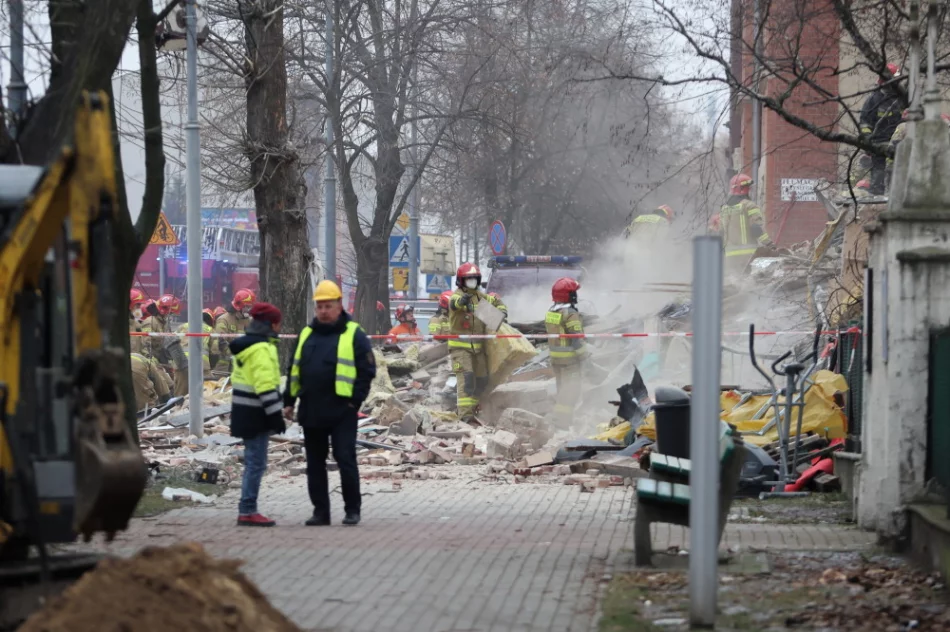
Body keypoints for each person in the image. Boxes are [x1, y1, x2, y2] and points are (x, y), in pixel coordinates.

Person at [283, 280, 376, 527]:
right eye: (319, 306)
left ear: (339, 305)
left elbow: (367, 370)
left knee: (345, 458)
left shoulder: (354, 333)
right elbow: (294, 370)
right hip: (312, 409)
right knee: (314, 463)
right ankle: (320, 512)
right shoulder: (306, 334)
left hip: (342, 411)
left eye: (328, 306)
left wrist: (354, 402)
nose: (323, 311)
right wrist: (289, 401)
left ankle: (352, 510)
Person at [230, 302, 286, 527]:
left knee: (254, 461)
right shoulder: (262, 349)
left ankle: (247, 508)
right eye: (278, 323)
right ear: (271, 324)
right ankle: (247, 509)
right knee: (256, 463)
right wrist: (276, 416)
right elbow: (265, 385)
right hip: (256, 414)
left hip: (244, 412)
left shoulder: (248, 347)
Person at [448, 262, 492, 420]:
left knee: (482, 381)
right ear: (461, 280)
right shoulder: (457, 296)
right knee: (466, 381)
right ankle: (465, 417)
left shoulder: (481, 297)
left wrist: (501, 310)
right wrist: (464, 302)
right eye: (469, 279)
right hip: (461, 350)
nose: (472, 281)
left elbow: (493, 316)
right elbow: (455, 303)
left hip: (478, 349)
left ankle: (473, 411)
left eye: (474, 278)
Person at [545, 278, 589, 428]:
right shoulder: (570, 314)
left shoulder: (551, 312)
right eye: (573, 293)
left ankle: (561, 421)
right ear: (568, 295)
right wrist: (585, 357)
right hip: (570, 361)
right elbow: (576, 338)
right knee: (571, 392)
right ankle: (562, 423)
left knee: (562, 389)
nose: (576, 295)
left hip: (556, 360)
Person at [859, 63, 904, 194]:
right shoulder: (874, 100)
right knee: (878, 175)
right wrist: (868, 143)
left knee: (897, 176)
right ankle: (876, 200)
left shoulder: (902, 99)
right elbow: (865, 123)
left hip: (899, 145)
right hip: (879, 145)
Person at [720, 174, 774, 275]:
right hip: (747, 255)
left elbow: (721, 232)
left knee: (732, 283)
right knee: (748, 284)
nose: (750, 191)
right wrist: (770, 244)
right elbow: (756, 229)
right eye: (749, 188)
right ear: (743, 189)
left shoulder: (724, 209)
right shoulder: (749, 206)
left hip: (730, 257)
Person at [173, 308, 216, 397]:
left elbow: (170, 344)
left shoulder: (182, 327)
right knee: (205, 394)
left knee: (180, 397)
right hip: (202, 367)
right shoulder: (210, 330)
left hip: (181, 366)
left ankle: (177, 410)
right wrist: (210, 366)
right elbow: (215, 352)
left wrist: (175, 362)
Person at [214, 288, 256, 371]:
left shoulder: (248, 321)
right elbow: (220, 342)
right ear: (239, 306)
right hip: (225, 369)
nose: (249, 309)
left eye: (250, 306)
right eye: (247, 307)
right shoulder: (224, 320)